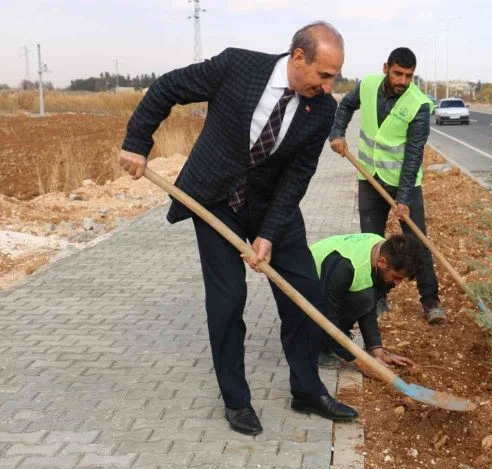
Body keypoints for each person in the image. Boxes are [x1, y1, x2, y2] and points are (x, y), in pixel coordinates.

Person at [118, 21, 358, 434]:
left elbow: (298, 175)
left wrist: (267, 234)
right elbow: (167, 88)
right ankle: (236, 400)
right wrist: (138, 142)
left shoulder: (322, 109)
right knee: (228, 301)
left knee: (305, 291)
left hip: (271, 207)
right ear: (299, 57)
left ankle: (307, 389)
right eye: (324, 74)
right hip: (215, 202)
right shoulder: (237, 67)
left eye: (334, 76)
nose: (329, 84)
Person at [328, 47, 446, 325]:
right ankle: (376, 298)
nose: (403, 81)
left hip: (404, 183)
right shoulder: (367, 85)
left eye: (408, 76)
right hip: (369, 177)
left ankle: (430, 301)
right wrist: (337, 133)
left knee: (418, 242)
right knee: (372, 241)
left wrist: (403, 198)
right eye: (398, 73)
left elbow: (414, 155)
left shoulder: (418, 105)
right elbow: (345, 105)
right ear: (386, 68)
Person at [310, 233, 422, 374]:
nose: (397, 283)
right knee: (357, 299)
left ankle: (335, 341)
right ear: (382, 262)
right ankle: (319, 345)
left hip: (327, 285)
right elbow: (327, 316)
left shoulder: (383, 251)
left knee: (365, 297)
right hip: (300, 288)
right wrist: (359, 362)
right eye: (396, 277)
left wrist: (378, 352)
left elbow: (369, 307)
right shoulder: (344, 267)